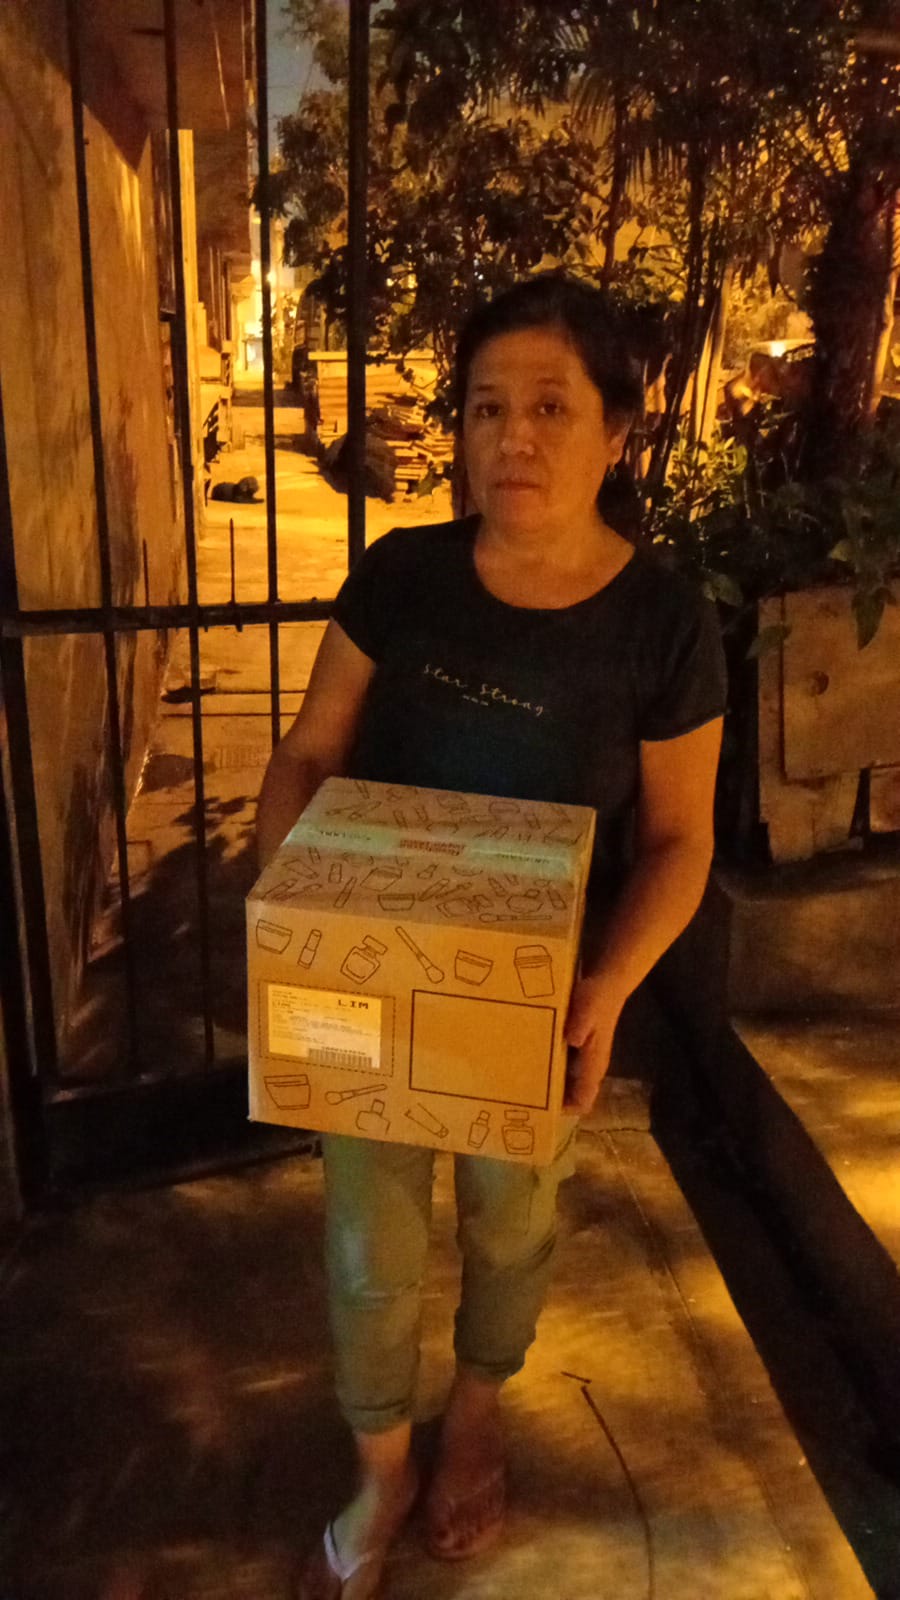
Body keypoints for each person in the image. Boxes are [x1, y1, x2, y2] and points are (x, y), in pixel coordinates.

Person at [256, 272, 726, 1599]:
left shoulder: (664, 623)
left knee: (513, 1227)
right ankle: (381, 1466)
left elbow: (680, 842)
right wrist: (290, 918)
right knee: (370, 1242)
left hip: (538, 999)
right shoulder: (402, 577)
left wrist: (605, 990)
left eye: (550, 407)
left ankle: (475, 1410)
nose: (512, 436)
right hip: (370, 983)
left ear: (617, 431)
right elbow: (307, 754)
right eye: (485, 407)